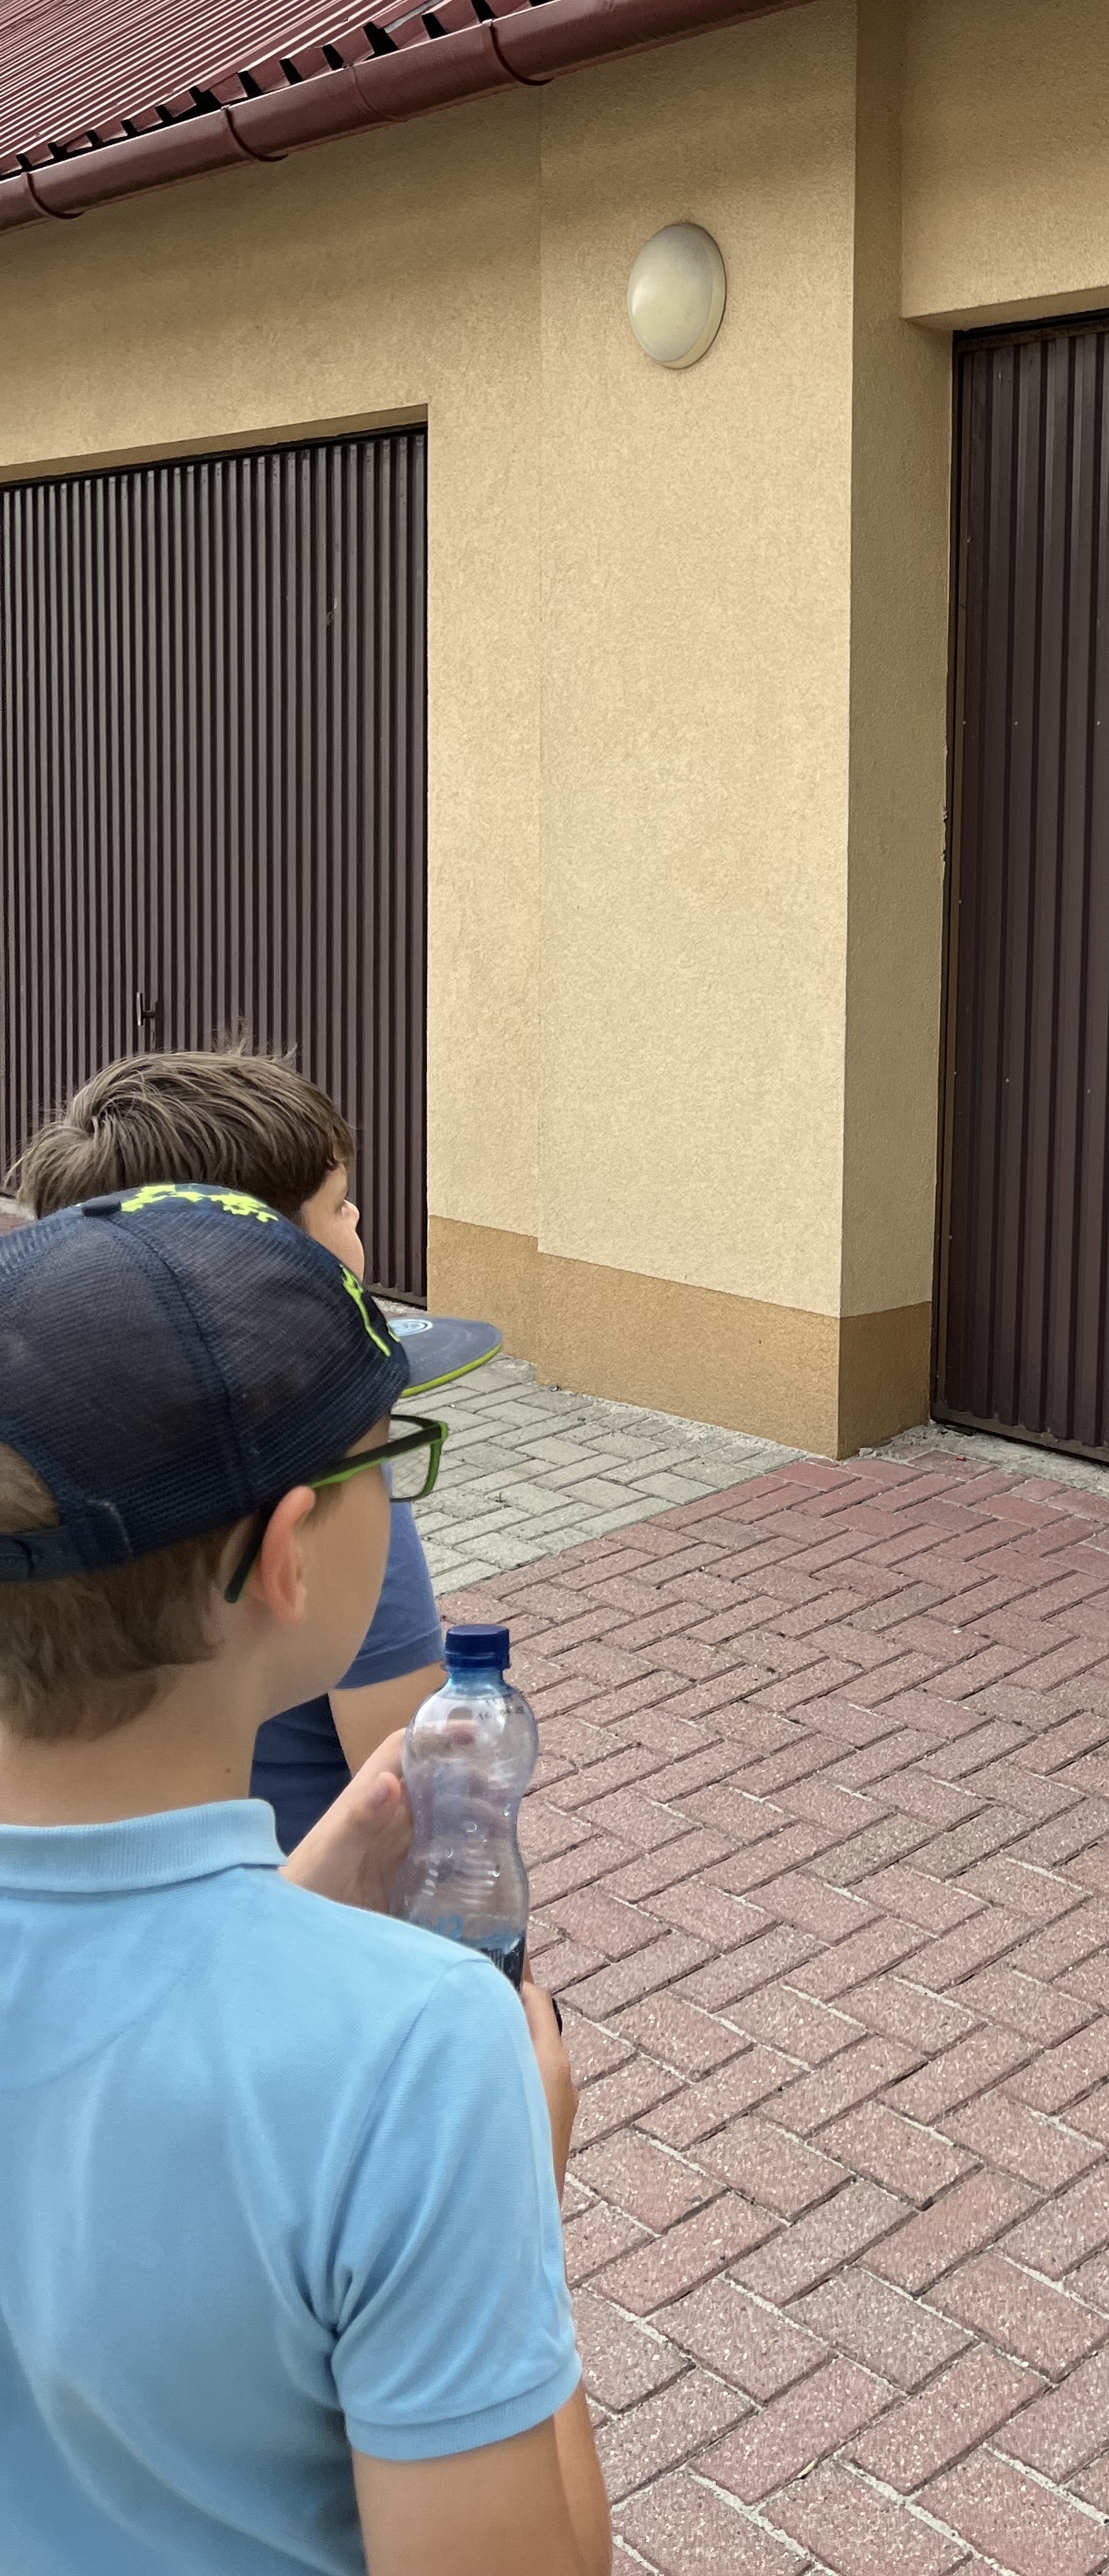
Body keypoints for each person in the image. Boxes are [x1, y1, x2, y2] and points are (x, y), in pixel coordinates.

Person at [0, 1181, 608, 2576]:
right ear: (284, 1557)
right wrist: (515, 2199)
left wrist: (276, 1920)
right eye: (386, 1463)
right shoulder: (416, 2055)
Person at [11, 1048, 496, 1850]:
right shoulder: (334, 1490)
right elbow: (412, 1792)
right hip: (291, 1911)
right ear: (268, 1267)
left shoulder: (38, 1474)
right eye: (338, 1205)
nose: (357, 1221)